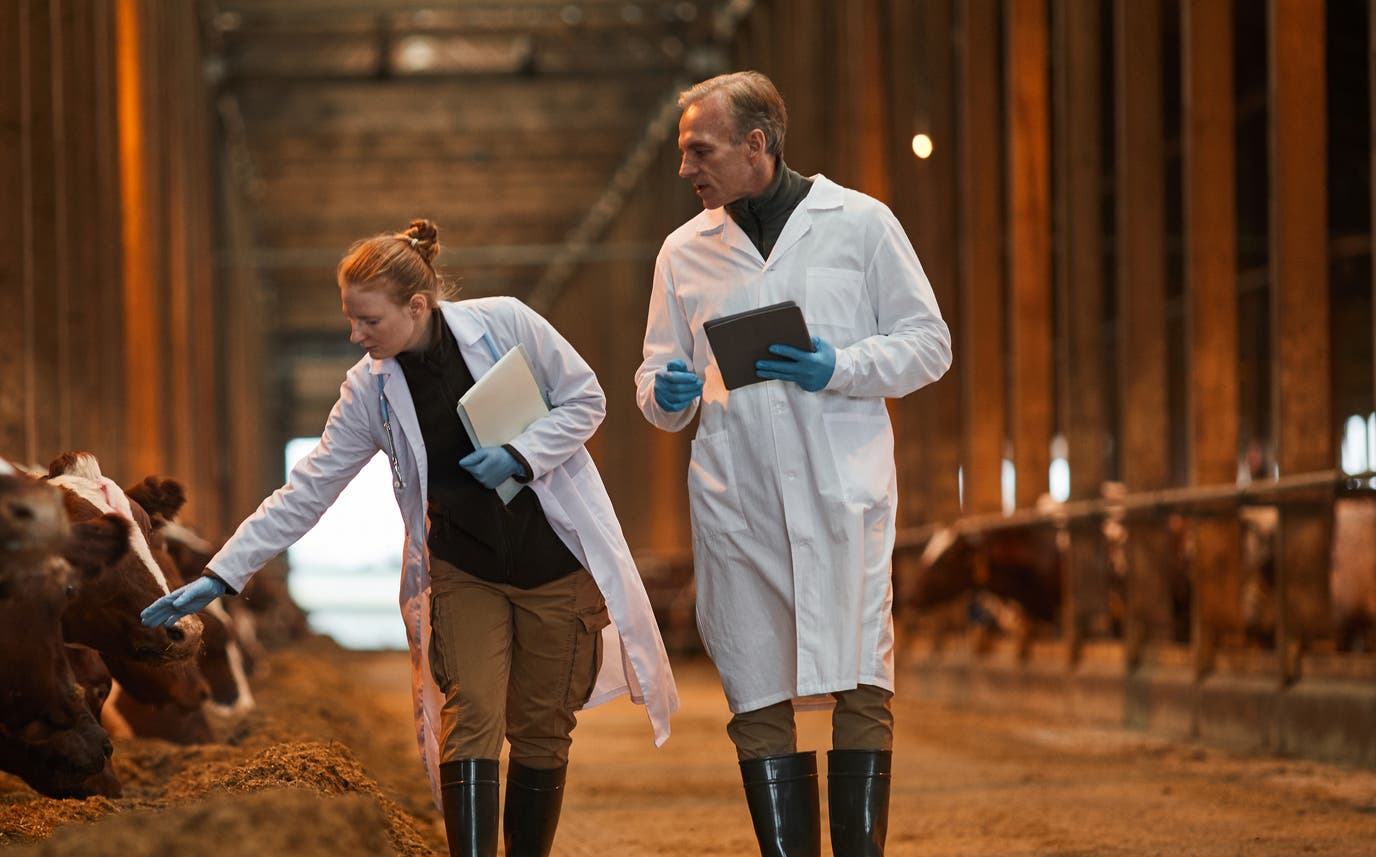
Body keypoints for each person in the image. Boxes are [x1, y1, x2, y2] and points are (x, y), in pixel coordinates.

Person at [144, 220, 677, 857]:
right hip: (463, 568)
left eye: (367, 320)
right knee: (472, 714)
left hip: (556, 564)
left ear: (416, 306)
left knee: (541, 729)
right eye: (350, 319)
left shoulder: (507, 323)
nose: (355, 334)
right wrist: (220, 574)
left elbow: (586, 398)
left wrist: (520, 454)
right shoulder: (369, 388)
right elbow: (310, 486)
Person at [635, 71, 951, 857]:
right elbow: (654, 380)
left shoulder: (862, 224)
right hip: (737, 500)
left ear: (756, 145)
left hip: (843, 493)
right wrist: (668, 391)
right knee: (757, 686)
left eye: (698, 150)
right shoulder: (684, 251)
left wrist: (837, 364)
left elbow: (928, 344)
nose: (686, 169)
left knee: (861, 679)